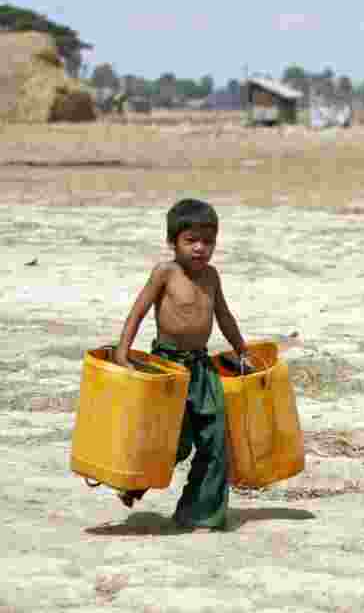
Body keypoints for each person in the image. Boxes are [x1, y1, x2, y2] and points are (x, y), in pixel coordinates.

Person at [111, 198, 249, 532]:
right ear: (173, 242)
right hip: (167, 367)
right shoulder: (165, 273)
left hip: (201, 368)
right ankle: (134, 482)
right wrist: (122, 352)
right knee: (174, 441)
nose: (200, 248)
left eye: (208, 241)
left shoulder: (212, 277)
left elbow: (224, 315)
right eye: (191, 241)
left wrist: (241, 349)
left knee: (215, 439)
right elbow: (138, 310)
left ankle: (199, 513)